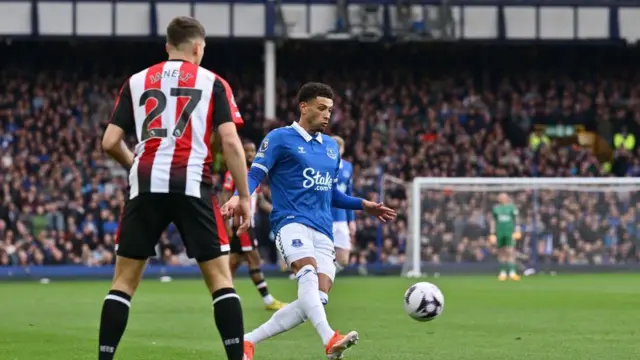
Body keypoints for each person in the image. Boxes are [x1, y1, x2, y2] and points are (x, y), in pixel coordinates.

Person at [99, 16, 250, 360]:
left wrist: (135, 165)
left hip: (146, 182)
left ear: (167, 47)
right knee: (220, 280)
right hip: (192, 183)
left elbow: (110, 142)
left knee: (123, 283)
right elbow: (229, 140)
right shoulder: (213, 82)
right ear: (198, 48)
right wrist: (243, 196)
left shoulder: (136, 81)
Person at [221, 82, 396, 360]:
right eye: (322, 108)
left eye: (330, 110)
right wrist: (238, 196)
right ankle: (330, 338)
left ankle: (247, 341)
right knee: (307, 272)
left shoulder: (330, 148)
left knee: (315, 299)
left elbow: (331, 193)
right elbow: (255, 173)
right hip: (290, 221)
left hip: (323, 229)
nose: (328, 115)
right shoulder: (279, 138)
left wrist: (363, 205)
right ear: (304, 107)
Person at [220, 138, 288, 310]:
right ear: (240, 152)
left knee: (235, 261)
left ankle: (223, 297)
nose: (251, 154)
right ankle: (268, 301)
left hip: (248, 223)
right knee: (253, 259)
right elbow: (225, 196)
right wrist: (227, 224)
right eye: (247, 150)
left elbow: (260, 201)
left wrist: (279, 210)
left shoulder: (253, 174)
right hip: (240, 223)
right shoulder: (235, 172)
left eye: (253, 150)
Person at [330, 136, 356, 270]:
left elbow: (349, 194)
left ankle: (324, 273)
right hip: (324, 217)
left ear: (343, 149)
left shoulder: (348, 167)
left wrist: (351, 220)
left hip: (341, 219)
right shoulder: (322, 165)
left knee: (344, 259)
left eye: (338, 148)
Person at [489, 193, 521, 281]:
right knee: (501, 252)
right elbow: (493, 221)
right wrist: (492, 233)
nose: (502, 199)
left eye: (504, 197)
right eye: (500, 197)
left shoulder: (512, 208)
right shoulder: (496, 208)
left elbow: (516, 219)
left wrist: (517, 230)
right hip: (500, 233)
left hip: (509, 232)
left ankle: (512, 272)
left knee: (510, 251)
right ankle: (502, 272)